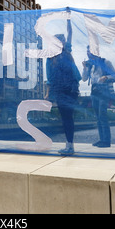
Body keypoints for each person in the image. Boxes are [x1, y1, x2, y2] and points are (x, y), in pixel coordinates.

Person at [45, 19, 81, 155]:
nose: (64, 42)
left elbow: (70, 32)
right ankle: (69, 145)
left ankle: (70, 145)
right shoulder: (51, 58)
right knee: (66, 118)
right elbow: (49, 78)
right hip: (62, 90)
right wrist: (48, 94)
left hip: (70, 89)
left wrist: (68, 19)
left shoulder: (66, 51)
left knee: (68, 117)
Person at [82, 47, 115, 148]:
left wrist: (106, 77)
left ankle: (106, 141)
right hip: (94, 91)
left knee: (102, 115)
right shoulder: (90, 65)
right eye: (87, 51)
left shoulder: (106, 62)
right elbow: (84, 79)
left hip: (104, 90)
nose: (88, 53)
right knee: (98, 117)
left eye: (90, 51)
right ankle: (102, 140)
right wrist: (84, 68)